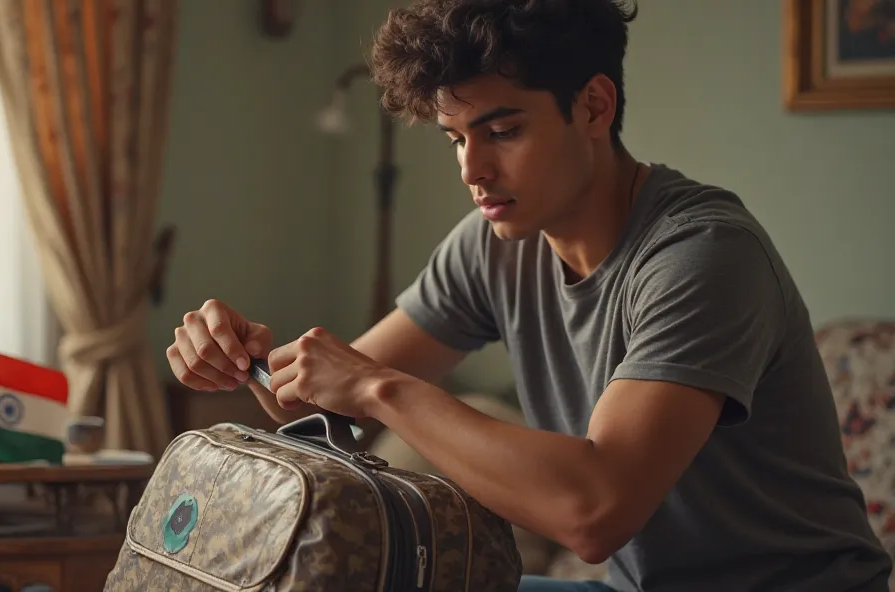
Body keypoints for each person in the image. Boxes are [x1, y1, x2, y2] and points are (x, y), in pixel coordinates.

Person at [166, 1, 892, 590]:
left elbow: (593, 512)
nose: (472, 170)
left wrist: (380, 390)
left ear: (595, 105)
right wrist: (247, 360)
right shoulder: (494, 244)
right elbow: (321, 403)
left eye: (503, 130)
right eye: (454, 138)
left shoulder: (702, 254)